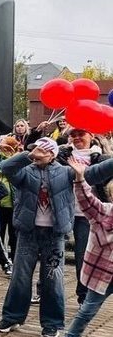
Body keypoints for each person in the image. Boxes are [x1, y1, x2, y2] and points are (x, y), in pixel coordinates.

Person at [0, 137, 113, 337]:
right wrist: (27, 155)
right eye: (35, 150)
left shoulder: (66, 172)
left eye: (42, 150)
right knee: (20, 276)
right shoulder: (25, 171)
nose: (37, 153)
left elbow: (96, 173)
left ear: (52, 154)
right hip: (27, 233)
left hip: (54, 235)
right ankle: (12, 317)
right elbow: (6, 168)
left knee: (52, 279)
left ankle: (52, 324)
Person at [49, 157, 113, 337]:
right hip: (104, 272)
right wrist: (79, 176)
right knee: (87, 310)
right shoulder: (103, 213)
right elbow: (86, 200)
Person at [55, 127, 111, 304]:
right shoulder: (62, 155)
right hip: (62, 210)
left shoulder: (101, 158)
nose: (77, 137)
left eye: (81, 134)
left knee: (82, 256)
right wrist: (59, 152)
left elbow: (105, 184)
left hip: (86, 215)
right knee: (52, 254)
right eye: (73, 134)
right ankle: (44, 290)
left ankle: (83, 296)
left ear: (91, 136)